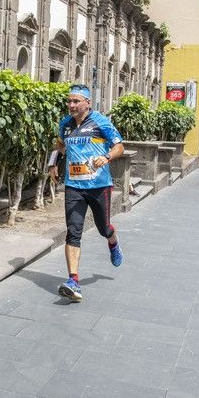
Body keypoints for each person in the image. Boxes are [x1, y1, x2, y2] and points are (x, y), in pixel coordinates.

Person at [48, 84, 124, 303]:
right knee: (73, 232)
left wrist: (107, 157)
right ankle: (73, 281)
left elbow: (119, 146)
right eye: (69, 101)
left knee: (103, 228)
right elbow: (59, 146)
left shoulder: (101, 122)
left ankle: (113, 240)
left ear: (87, 103)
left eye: (75, 101)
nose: (71, 105)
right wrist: (53, 163)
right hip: (74, 186)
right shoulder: (65, 124)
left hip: (99, 186)